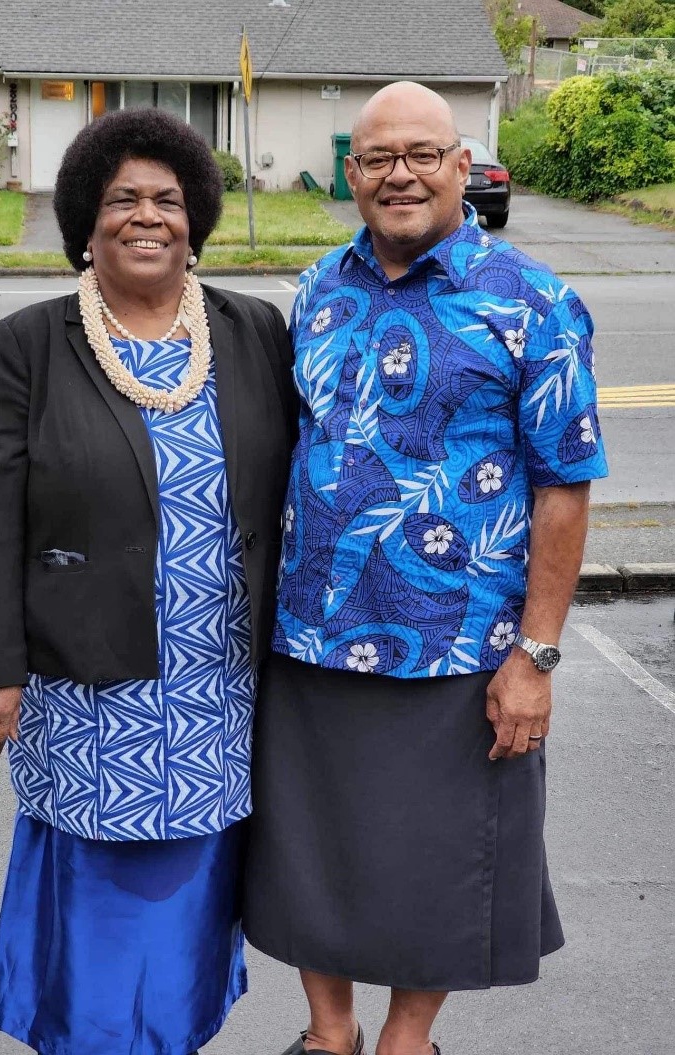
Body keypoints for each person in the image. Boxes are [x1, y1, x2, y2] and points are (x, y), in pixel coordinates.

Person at [243, 81, 608, 1055]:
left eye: (418, 153)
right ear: (351, 176)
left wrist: (535, 653)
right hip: (312, 637)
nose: (396, 173)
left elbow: (562, 486)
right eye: (374, 158)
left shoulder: (531, 302)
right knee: (311, 852)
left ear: (462, 167)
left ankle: (407, 1039)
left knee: (435, 864)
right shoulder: (318, 290)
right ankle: (329, 1033)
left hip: (460, 651)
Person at [0, 107, 297, 1055]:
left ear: (197, 220)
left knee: (190, 894)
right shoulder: (33, 339)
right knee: (99, 890)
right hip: (85, 682)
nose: (147, 217)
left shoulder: (253, 330)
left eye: (168, 200)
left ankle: (169, 1034)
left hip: (214, 686)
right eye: (121, 200)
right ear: (85, 220)